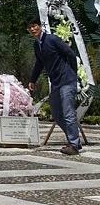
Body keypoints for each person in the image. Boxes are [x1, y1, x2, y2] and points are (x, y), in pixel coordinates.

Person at [27, 16, 82, 155]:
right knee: (57, 114)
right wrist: (32, 80)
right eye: (30, 27)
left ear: (40, 26)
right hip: (56, 83)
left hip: (67, 81)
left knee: (68, 113)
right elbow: (39, 64)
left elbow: (70, 54)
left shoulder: (52, 39)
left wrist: (72, 74)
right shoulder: (37, 45)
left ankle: (74, 145)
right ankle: (74, 139)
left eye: (35, 26)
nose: (33, 29)